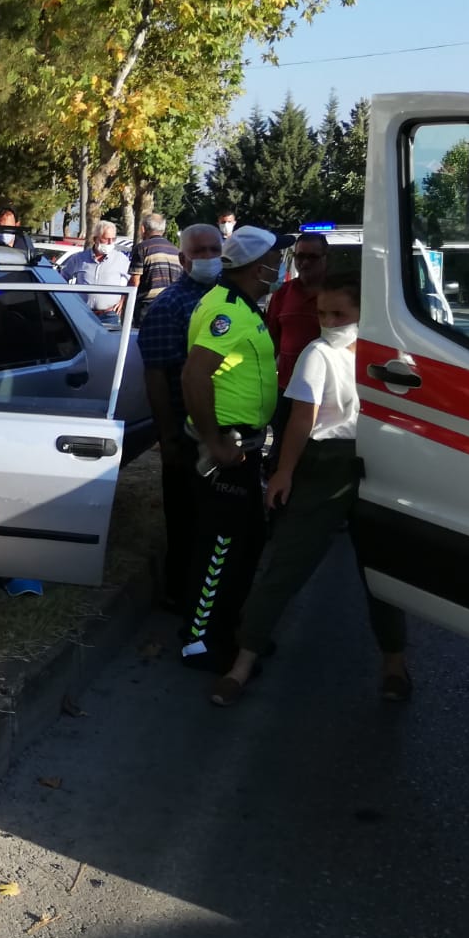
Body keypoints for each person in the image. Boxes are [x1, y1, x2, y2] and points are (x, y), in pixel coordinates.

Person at [210, 276, 410, 706]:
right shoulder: (318, 353)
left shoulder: (391, 356)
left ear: (364, 314)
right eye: (322, 313)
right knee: (288, 563)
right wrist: (285, 472)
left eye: (339, 314)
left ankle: (395, 664)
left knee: (383, 571)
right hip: (326, 463)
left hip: (380, 462)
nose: (329, 322)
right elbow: (303, 418)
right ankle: (243, 662)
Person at [176, 225, 292, 670]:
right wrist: (214, 441)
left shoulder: (241, 305)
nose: (280, 266)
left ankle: (230, 628)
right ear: (257, 266)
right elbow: (194, 375)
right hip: (227, 448)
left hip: (243, 445)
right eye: (275, 260)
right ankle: (199, 641)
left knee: (246, 541)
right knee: (220, 545)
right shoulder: (229, 310)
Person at [136, 223, 224, 611]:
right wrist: (168, 436)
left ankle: (210, 594)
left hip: (223, 430)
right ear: (183, 259)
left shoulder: (227, 299)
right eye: (199, 252)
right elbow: (156, 374)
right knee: (186, 520)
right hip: (186, 433)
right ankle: (182, 597)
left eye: (213, 250)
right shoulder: (170, 305)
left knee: (216, 520)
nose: (207, 258)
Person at [266, 231, 328, 389]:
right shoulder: (282, 294)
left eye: (312, 257)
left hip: (326, 387)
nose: (305, 263)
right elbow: (271, 340)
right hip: (287, 386)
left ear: (325, 258)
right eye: (300, 256)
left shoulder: (338, 294)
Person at [58, 220, 131, 320]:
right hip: (82, 313)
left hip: (109, 315)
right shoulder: (79, 258)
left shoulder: (121, 259)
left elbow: (133, 281)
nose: (110, 242)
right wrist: (69, 301)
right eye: (106, 239)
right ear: (95, 239)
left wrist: (123, 299)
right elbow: (62, 278)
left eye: (113, 239)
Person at [127, 212, 183, 325]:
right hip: (171, 304)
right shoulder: (175, 250)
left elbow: (135, 280)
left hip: (147, 306)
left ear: (143, 229)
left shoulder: (142, 248)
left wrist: (126, 302)